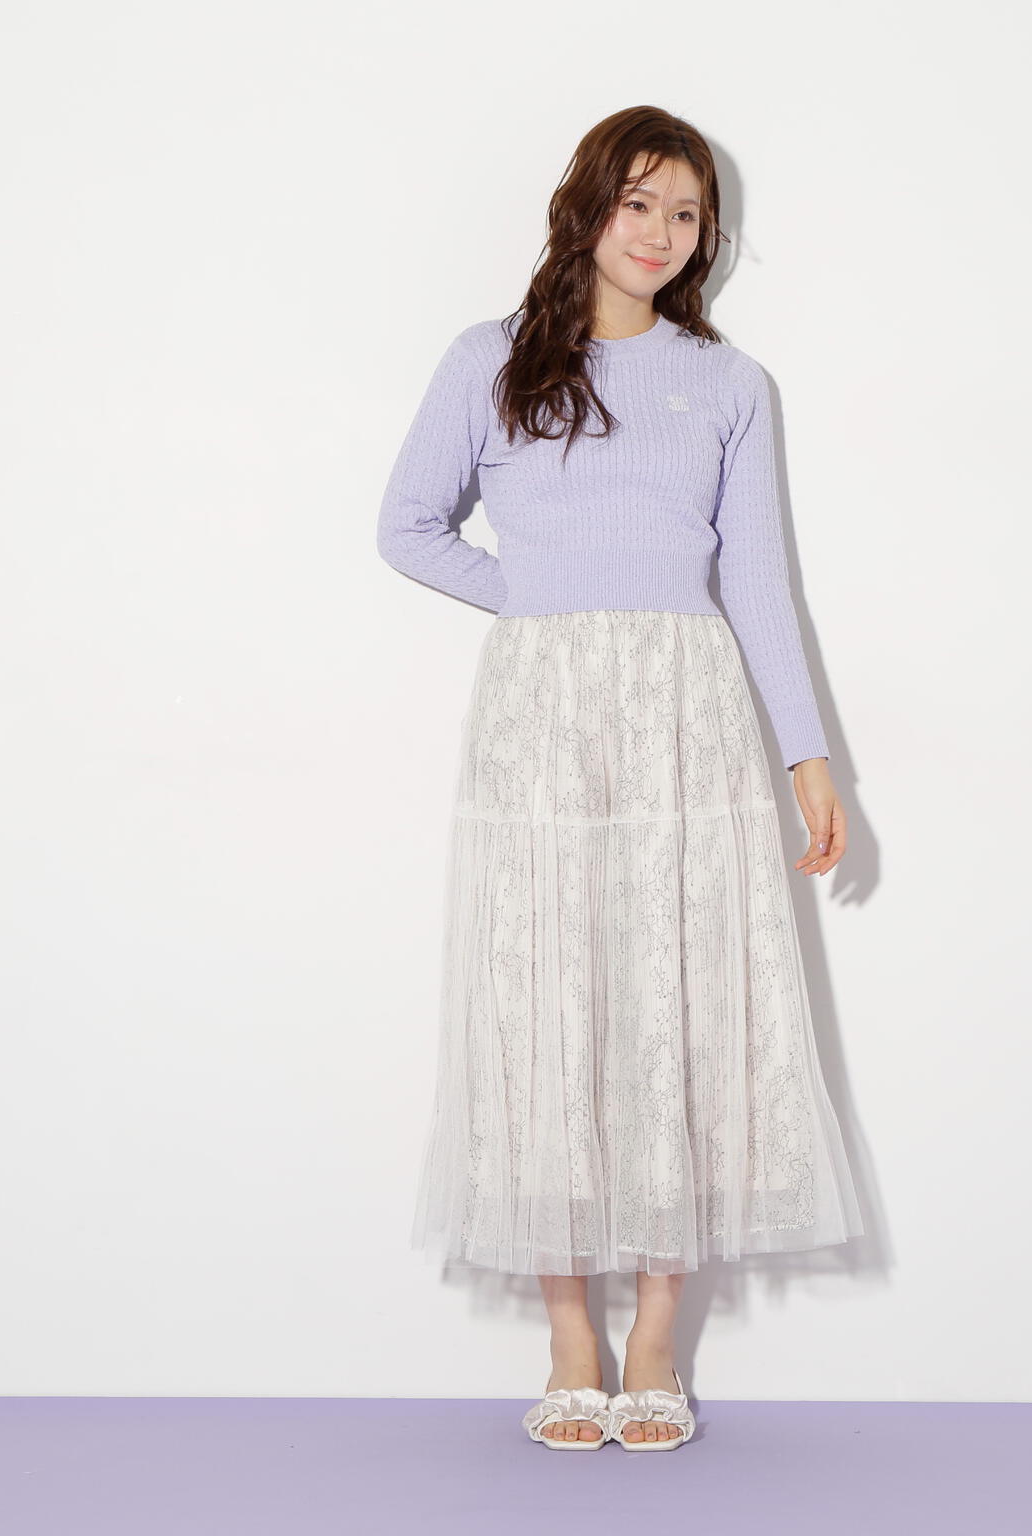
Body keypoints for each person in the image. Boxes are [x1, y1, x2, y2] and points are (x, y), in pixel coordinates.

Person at [377, 105, 865, 1450]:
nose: (659, 233)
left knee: (674, 1001)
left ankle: (654, 1333)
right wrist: (541, 601)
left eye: (687, 214)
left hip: (688, 719)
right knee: (545, 994)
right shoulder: (489, 360)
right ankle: (569, 1338)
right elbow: (406, 527)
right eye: (638, 201)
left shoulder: (729, 385)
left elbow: (757, 581)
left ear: (709, 238)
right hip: (540, 720)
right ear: (587, 205)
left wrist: (809, 755)